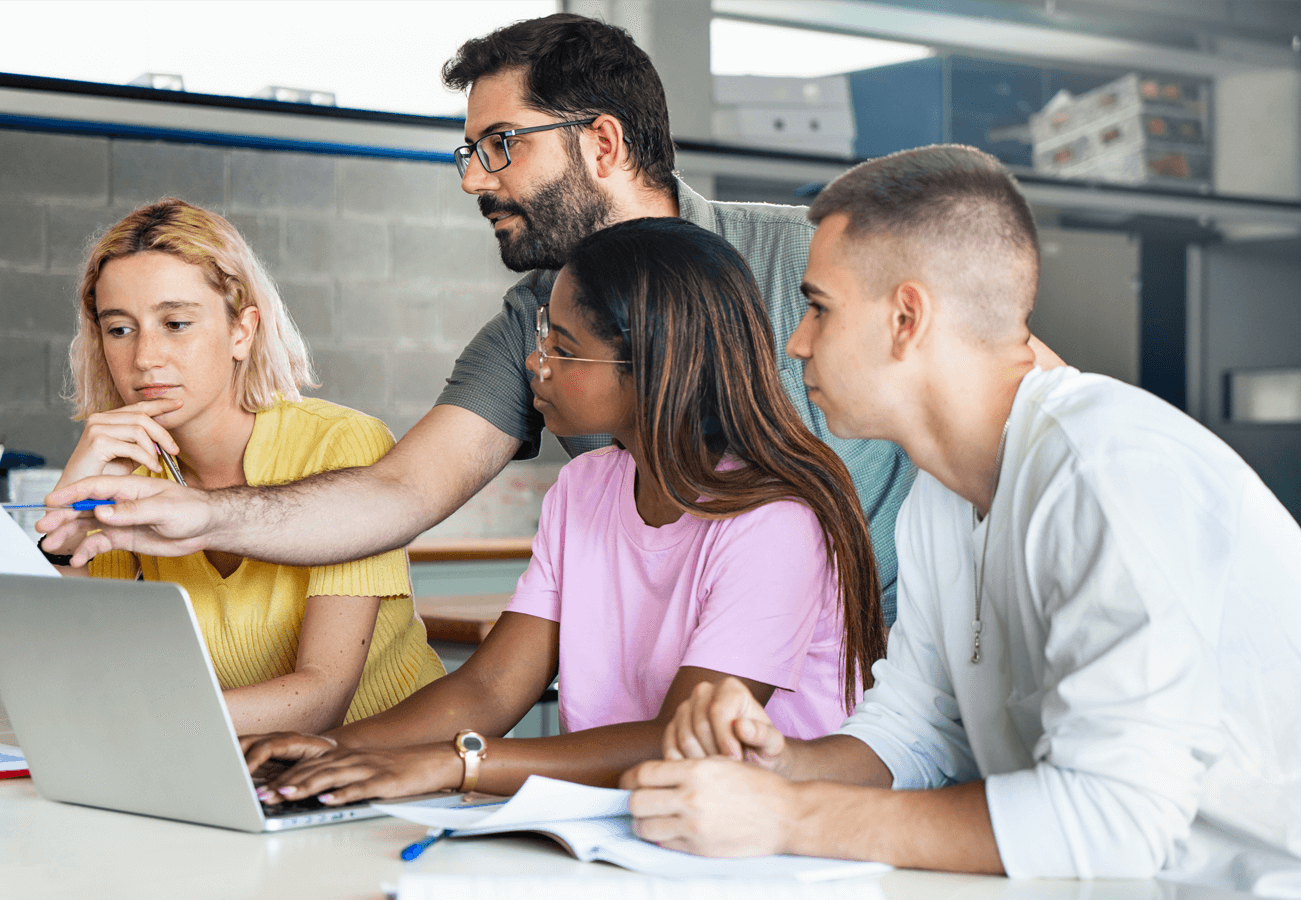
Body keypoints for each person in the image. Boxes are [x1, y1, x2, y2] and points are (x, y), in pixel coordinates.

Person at [38, 10, 1052, 627]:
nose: (476, 180)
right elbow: (398, 489)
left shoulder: (808, 257)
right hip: (689, 698)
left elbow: (1027, 392)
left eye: (499, 146)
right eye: (467, 152)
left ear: (601, 141)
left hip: (885, 678)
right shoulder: (529, 319)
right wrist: (198, 516)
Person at [621, 146, 1301, 898]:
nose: (796, 341)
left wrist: (788, 816)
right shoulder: (943, 495)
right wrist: (777, 762)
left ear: (906, 319)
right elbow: (921, 728)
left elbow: (1115, 820)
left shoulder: (1106, 470)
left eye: (818, 307)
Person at [240, 217, 885, 805]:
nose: (534, 363)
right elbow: (488, 690)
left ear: (653, 368)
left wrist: (456, 765)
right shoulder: (585, 488)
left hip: (770, 840)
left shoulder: (775, 521)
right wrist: (338, 748)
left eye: (565, 348)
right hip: (627, 821)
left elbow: (682, 739)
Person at [42, 198, 445, 735]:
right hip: (237, 766)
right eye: (120, 329)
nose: (145, 357)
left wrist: (145, 717)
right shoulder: (130, 473)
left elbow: (321, 698)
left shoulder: (342, 444)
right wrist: (63, 528)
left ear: (242, 330)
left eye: (177, 323)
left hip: (392, 770)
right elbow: (75, 673)